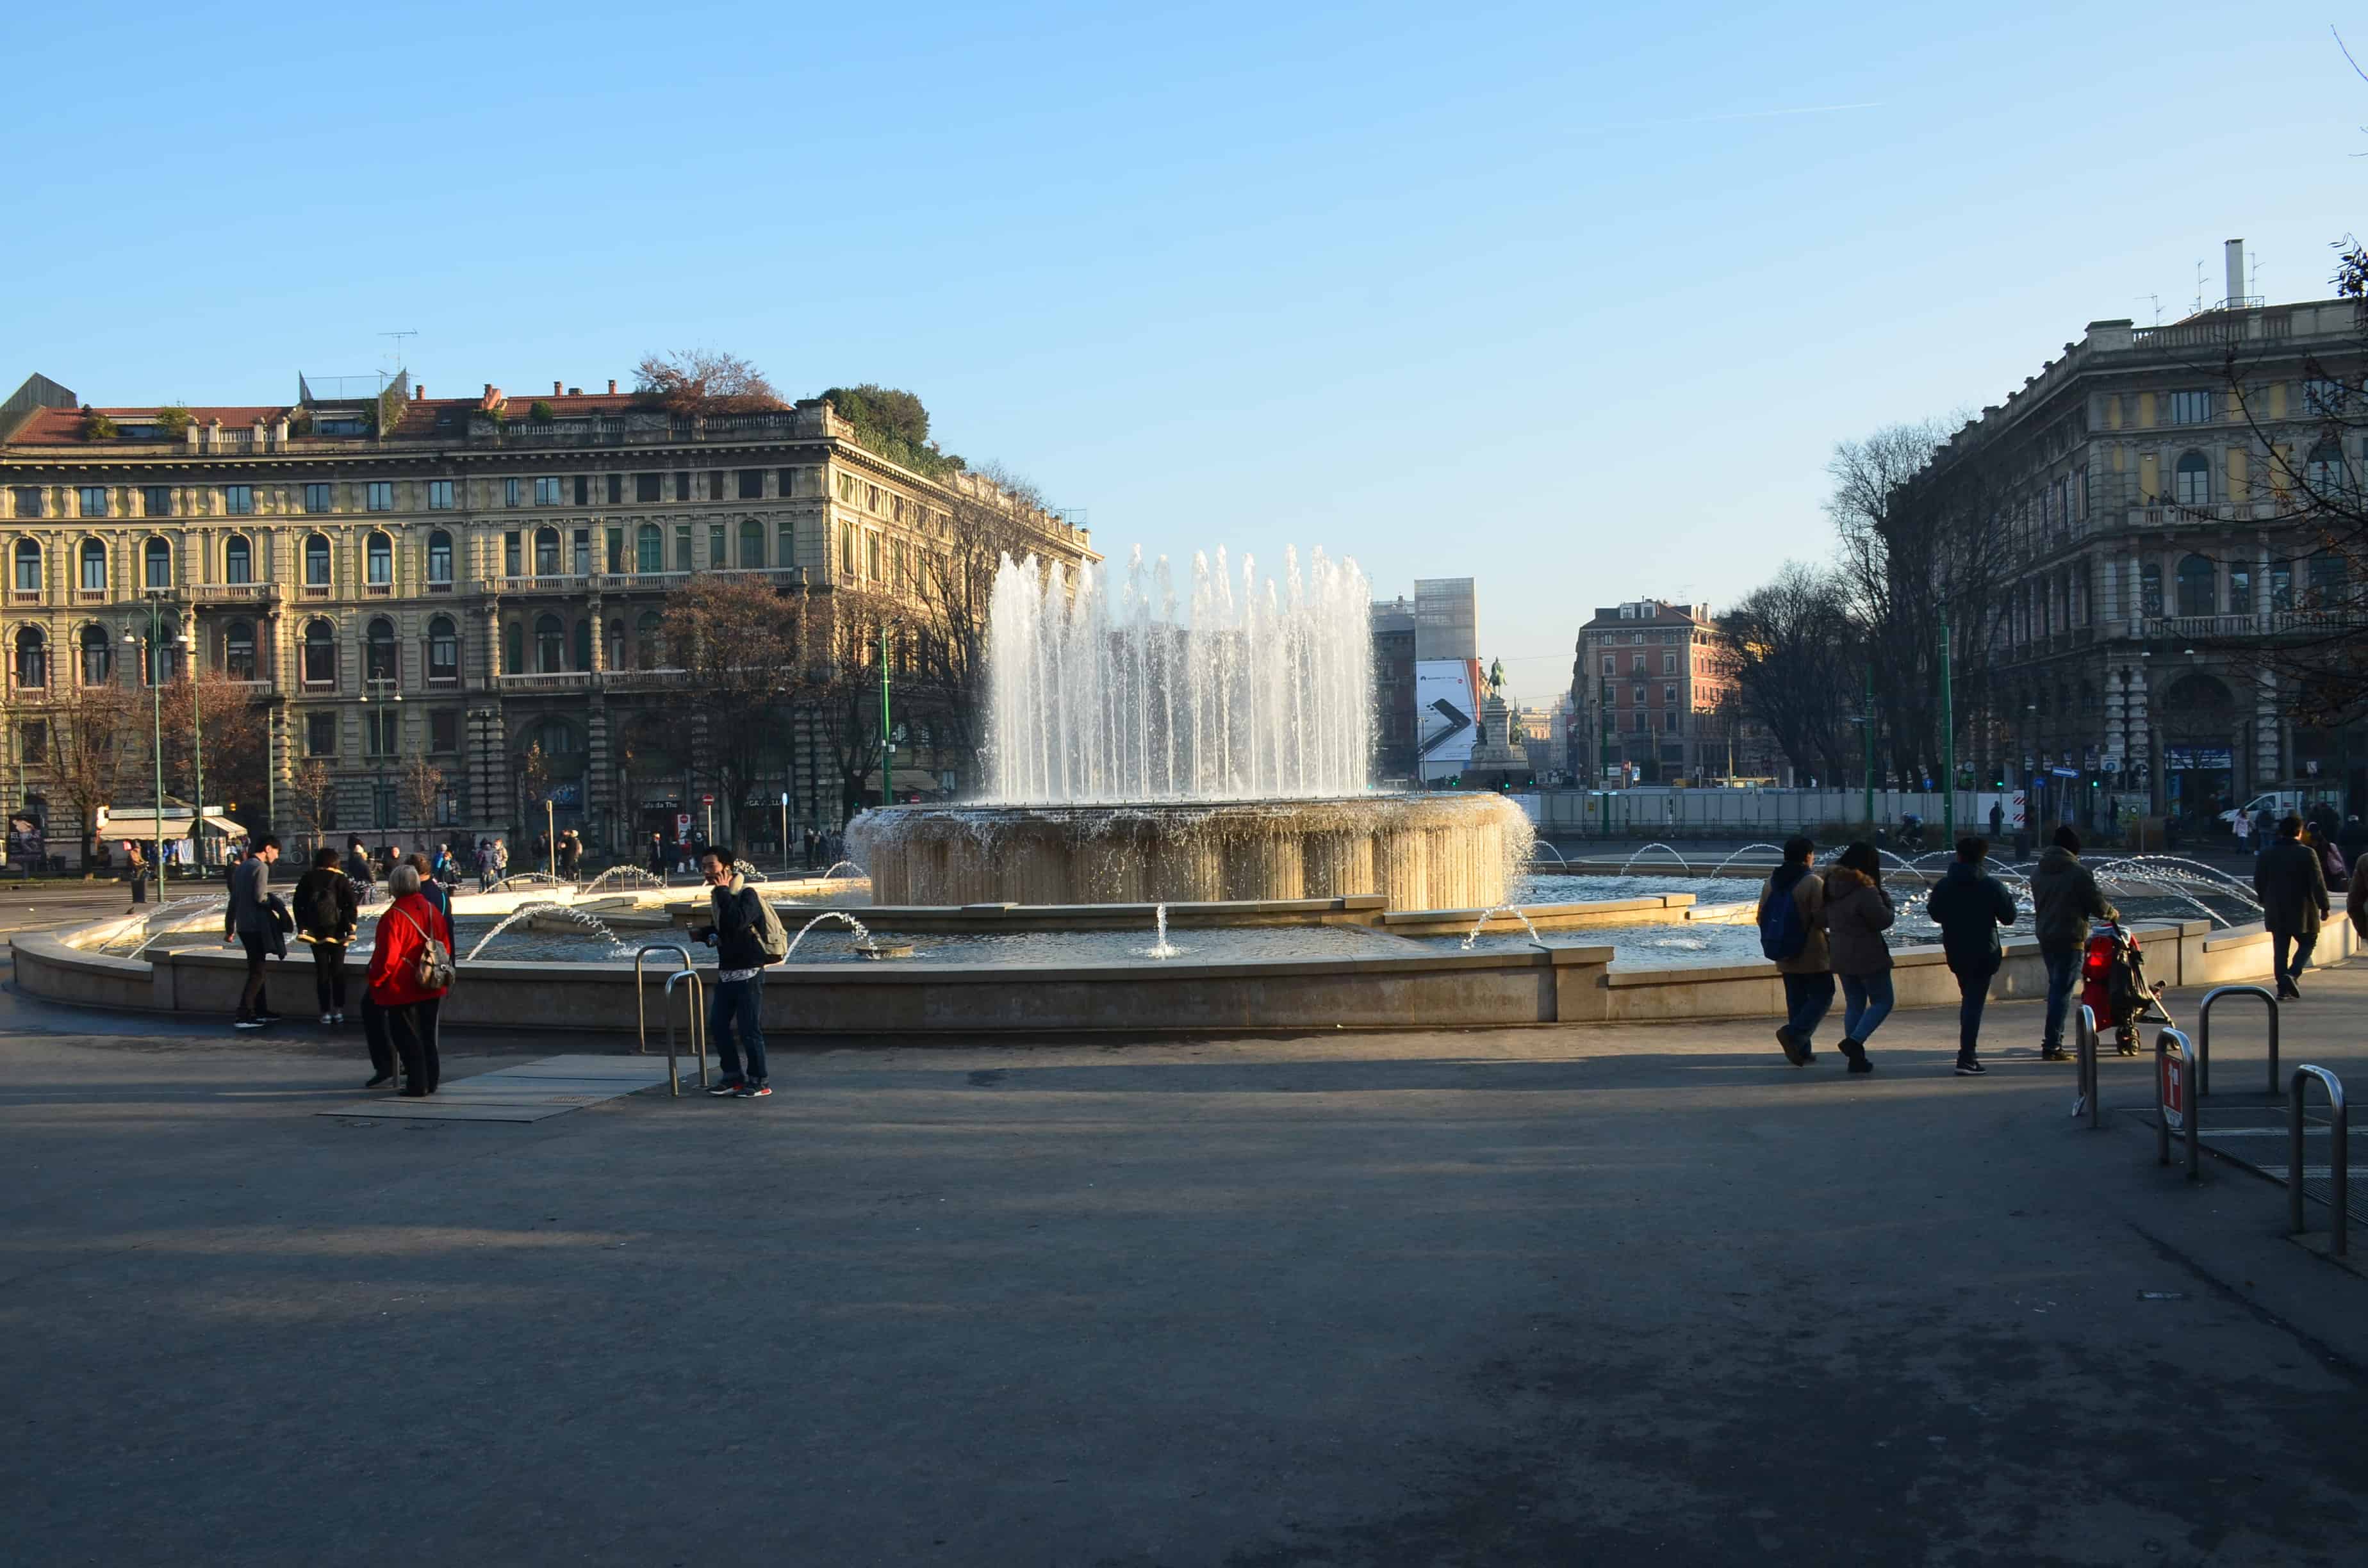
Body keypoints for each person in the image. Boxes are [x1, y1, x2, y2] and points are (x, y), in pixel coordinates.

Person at [688, 844, 784, 1098]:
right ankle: (733, 1077)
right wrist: (705, 934)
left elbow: (737, 922)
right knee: (718, 1025)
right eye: (705, 866)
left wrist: (721, 891)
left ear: (726, 869)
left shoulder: (747, 894)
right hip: (728, 972)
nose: (707, 871)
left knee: (748, 1029)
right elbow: (726, 930)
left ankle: (759, 1080)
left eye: (712, 866)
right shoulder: (720, 897)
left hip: (750, 972)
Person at [1927, 835, 2018, 1076]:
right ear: (1983, 856)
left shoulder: (1945, 885)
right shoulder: (1991, 885)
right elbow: (2009, 917)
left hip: (1956, 951)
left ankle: (1967, 1054)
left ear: (1958, 855)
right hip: (1984, 953)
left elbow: (1934, 914)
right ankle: (1967, 1057)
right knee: (1973, 1004)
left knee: (1969, 999)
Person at [2028, 825, 2117, 1062]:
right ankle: (2052, 1044)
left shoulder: (2038, 872)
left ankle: (2052, 1040)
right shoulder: (2078, 872)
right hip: (2070, 937)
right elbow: (2098, 906)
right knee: (2061, 992)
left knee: (2056, 988)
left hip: (2046, 936)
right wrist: (2112, 913)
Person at [368, 864, 451, 1097]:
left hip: (402, 987)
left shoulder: (393, 916)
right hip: (431, 982)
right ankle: (432, 1080)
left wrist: (376, 979)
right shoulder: (432, 909)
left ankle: (417, 1084)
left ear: (394, 886)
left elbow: (387, 958)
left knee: (406, 1037)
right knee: (427, 1035)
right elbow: (444, 945)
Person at [1755, 836, 1831, 1066]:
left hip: (1784, 951)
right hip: (1812, 953)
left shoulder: (1771, 882)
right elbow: (1822, 919)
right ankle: (1794, 1034)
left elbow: (1760, 917)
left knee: (1796, 1000)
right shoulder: (1813, 882)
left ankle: (1801, 1050)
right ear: (1808, 855)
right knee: (1824, 995)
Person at [1821, 841, 1893, 1074]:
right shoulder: (1866, 889)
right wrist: (1888, 901)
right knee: (1883, 1001)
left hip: (1840, 952)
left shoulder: (1831, 884)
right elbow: (1882, 920)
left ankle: (1856, 1059)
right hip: (1867, 953)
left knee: (1855, 1003)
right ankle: (1854, 1042)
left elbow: (1822, 919)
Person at [2254, 813, 2330, 1000]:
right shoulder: (2307, 853)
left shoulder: (2267, 853)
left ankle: (2282, 989)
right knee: (2308, 941)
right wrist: (2324, 907)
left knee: (2280, 949)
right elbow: (2318, 883)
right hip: (2303, 909)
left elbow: (2259, 880)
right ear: (2300, 831)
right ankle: (2293, 974)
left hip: (2276, 909)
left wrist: (2264, 899)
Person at [292, 846, 359, 1031]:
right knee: (338, 970)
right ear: (335, 862)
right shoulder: (341, 878)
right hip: (338, 932)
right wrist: (351, 926)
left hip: (315, 933)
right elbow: (351, 903)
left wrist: (303, 927)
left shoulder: (307, 878)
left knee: (322, 972)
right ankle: (339, 1010)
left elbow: (298, 903)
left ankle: (325, 1012)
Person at [224, 834, 285, 1031]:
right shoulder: (261, 867)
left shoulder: (242, 867)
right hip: (256, 925)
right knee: (258, 971)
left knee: (257, 968)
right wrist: (276, 904)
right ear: (268, 849)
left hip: (244, 926)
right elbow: (260, 898)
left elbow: (234, 899)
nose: (277, 857)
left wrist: (230, 927)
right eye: (277, 852)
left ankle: (261, 1010)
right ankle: (243, 1014)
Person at [125, 840, 147, 908]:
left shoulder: (138, 852)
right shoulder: (133, 852)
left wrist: (144, 862)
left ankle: (141, 898)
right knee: (137, 881)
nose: (139, 849)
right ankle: (138, 898)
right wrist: (140, 864)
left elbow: (140, 859)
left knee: (141, 881)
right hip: (134, 868)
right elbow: (134, 861)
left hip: (138, 868)